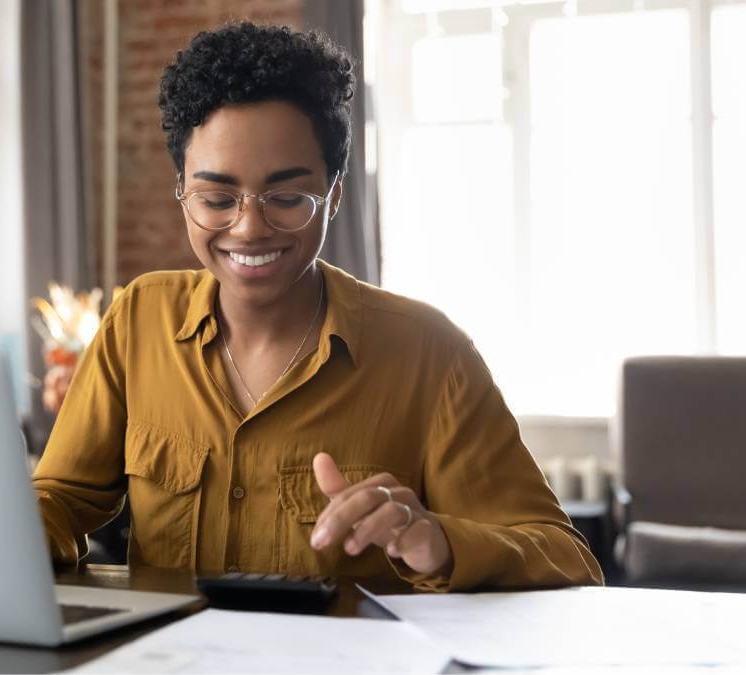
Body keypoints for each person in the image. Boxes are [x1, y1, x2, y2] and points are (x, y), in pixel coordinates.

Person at [32, 21, 603, 591]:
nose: (249, 228)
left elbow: (568, 559)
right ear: (181, 190)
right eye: (216, 198)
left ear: (334, 194)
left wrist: (439, 541)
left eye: (286, 197)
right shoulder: (139, 320)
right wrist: (15, 527)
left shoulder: (430, 353)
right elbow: (59, 498)